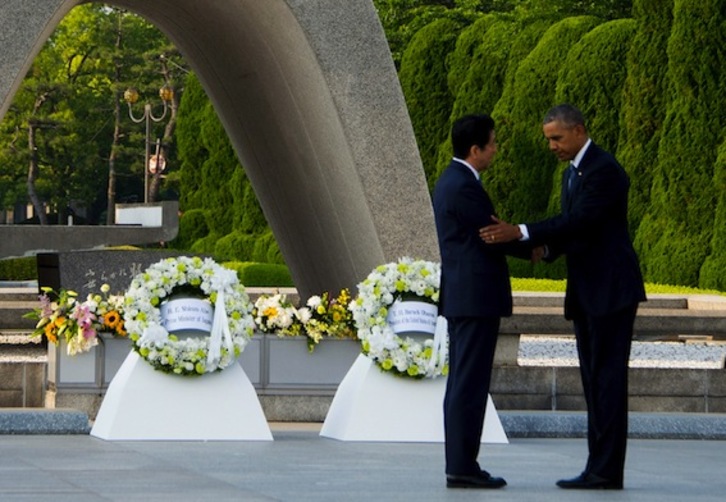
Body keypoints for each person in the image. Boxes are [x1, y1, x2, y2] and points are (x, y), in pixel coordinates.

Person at [480, 104, 646, 490]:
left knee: (606, 381)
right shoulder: (572, 174)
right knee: (594, 381)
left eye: (556, 138)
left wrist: (521, 232)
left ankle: (605, 471)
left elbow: (580, 220)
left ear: (579, 131)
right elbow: (578, 233)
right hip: (589, 292)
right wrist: (546, 251)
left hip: (610, 292)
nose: (552, 146)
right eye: (548, 140)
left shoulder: (603, 170)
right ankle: (597, 467)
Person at [433, 114, 535, 489]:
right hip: (475, 298)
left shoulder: (453, 180)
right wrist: (537, 247)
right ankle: (461, 466)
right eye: (491, 144)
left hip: (465, 298)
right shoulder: (463, 186)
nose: (495, 149)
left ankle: (462, 462)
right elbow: (493, 234)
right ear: (475, 150)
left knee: (464, 382)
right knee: (469, 384)